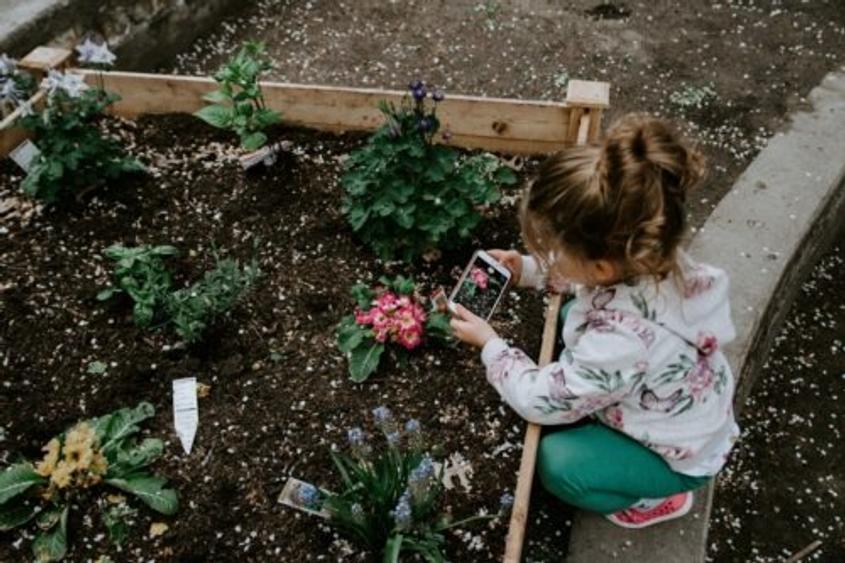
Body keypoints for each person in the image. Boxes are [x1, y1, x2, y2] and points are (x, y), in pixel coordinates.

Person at [449, 114, 738, 528]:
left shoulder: (620, 342)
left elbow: (539, 402)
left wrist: (491, 345)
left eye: (553, 248)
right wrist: (528, 270)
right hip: (682, 407)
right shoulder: (654, 259)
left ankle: (655, 498)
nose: (549, 253)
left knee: (558, 463)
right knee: (571, 314)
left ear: (602, 267)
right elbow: (584, 281)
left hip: (675, 454)